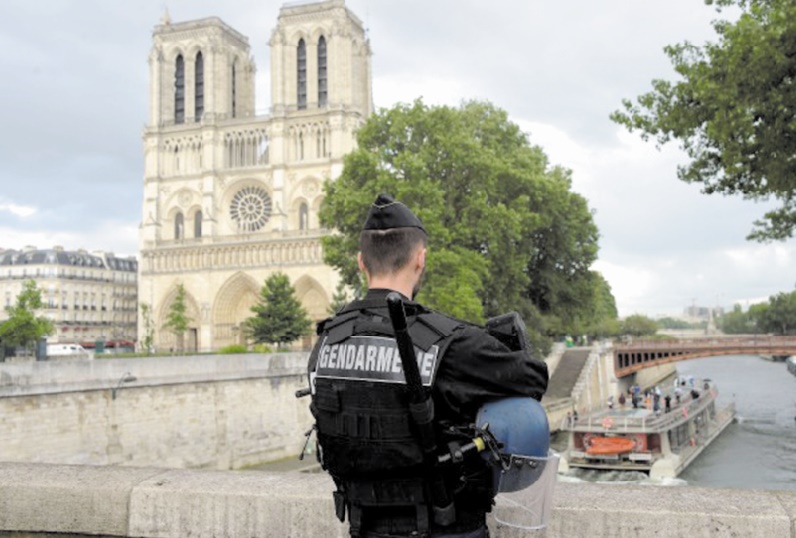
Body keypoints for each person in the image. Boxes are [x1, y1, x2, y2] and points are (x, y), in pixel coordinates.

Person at [307, 194, 549, 538]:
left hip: (363, 526)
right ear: (420, 259)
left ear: (361, 262)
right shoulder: (450, 342)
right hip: (446, 527)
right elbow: (533, 377)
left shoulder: (327, 340)